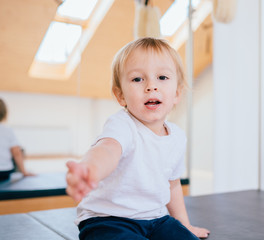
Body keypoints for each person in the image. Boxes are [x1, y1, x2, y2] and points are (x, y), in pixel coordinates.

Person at [66, 37, 210, 239]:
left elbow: (173, 184)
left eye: (162, 77)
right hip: (109, 219)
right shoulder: (122, 125)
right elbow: (107, 149)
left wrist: (185, 225)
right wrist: (90, 169)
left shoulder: (177, 136)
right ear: (121, 96)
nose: (151, 86)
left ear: (177, 93)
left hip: (156, 219)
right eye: (137, 79)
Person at [0, 98, 34, 181]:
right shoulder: (7, 130)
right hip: (4, 172)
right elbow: (17, 152)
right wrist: (24, 172)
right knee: (20, 149)